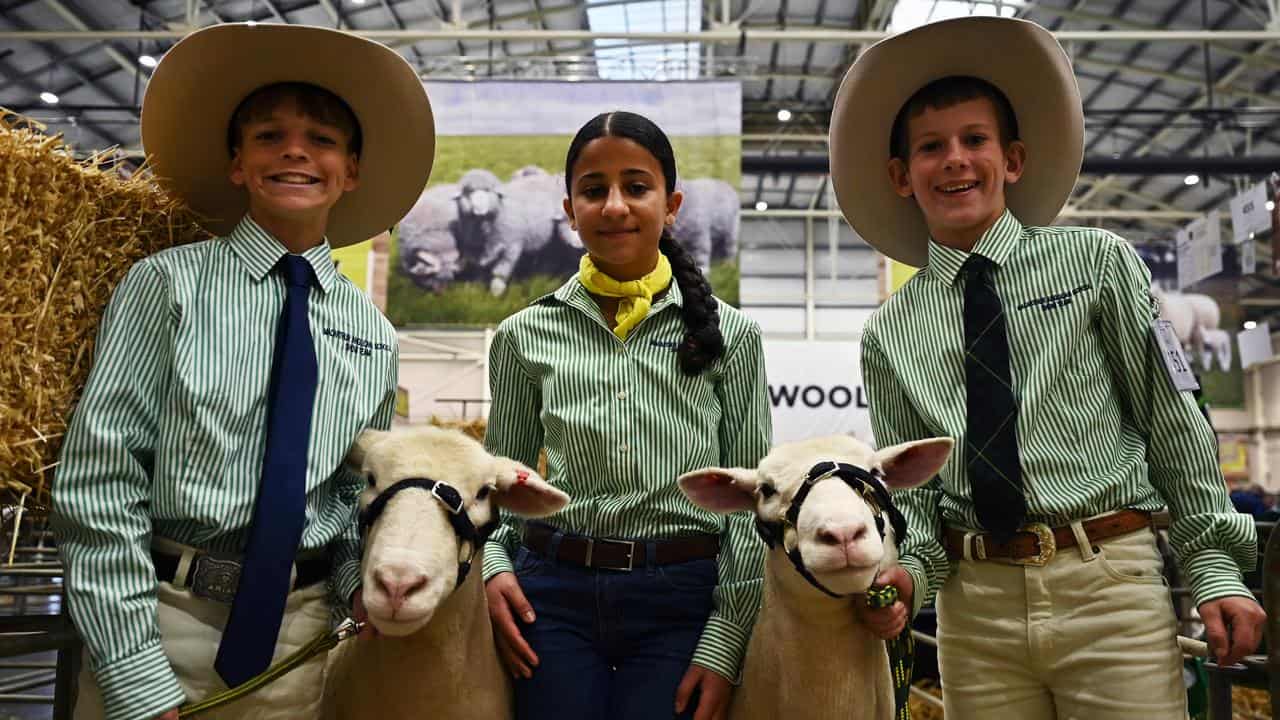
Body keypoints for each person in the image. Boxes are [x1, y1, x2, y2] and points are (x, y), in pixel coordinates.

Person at [827, 16, 1267, 720]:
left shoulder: (1097, 264)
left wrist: (1214, 568)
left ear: (1015, 159)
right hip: (977, 612)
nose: (955, 161)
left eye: (975, 140)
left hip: (1110, 586)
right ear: (900, 175)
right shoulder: (890, 331)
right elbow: (912, 491)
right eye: (931, 148)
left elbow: (1172, 416)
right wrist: (907, 572)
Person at [50, 23, 434, 720]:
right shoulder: (166, 288)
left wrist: (356, 587)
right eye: (268, 136)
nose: (295, 150)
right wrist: (134, 673)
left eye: (322, 139)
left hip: (299, 645)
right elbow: (100, 480)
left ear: (351, 172)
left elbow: (349, 497)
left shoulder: (373, 334)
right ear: (237, 164)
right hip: (164, 621)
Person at [481, 110, 771, 720]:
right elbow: (498, 479)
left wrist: (726, 640)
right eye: (594, 190)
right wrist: (491, 567)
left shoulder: (734, 336)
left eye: (637, 187)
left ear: (672, 205)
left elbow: (750, 500)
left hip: (682, 597)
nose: (614, 206)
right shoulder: (521, 335)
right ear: (569, 210)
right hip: (550, 595)